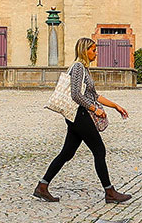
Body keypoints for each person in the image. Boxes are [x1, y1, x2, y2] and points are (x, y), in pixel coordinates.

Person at [34, 37, 132, 204]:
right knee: (99, 150)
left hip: (76, 116)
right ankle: (109, 192)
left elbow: (94, 95)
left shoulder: (85, 69)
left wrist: (115, 106)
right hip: (79, 115)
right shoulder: (78, 67)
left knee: (67, 153)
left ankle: (42, 187)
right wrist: (95, 109)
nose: (96, 52)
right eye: (93, 50)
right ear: (84, 51)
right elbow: (76, 95)